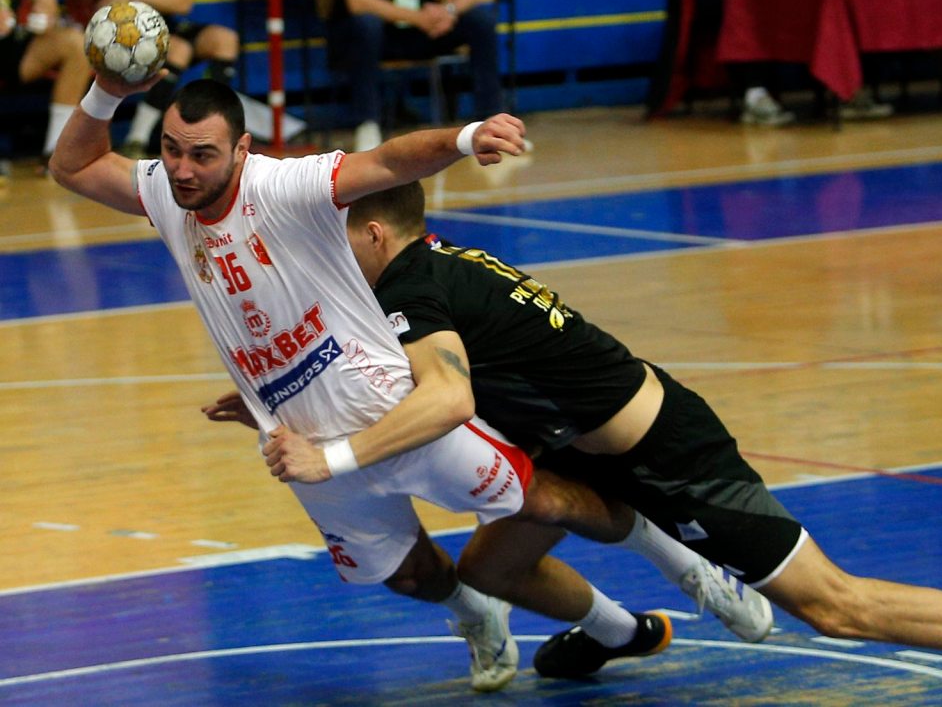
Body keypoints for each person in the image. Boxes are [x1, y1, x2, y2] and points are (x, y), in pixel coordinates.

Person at [48, 75, 730, 692]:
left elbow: (389, 162)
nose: (182, 168)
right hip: (303, 442)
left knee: (543, 501)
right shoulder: (168, 194)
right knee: (408, 575)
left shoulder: (280, 186)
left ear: (241, 150)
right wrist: (107, 89)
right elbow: (71, 165)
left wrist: (465, 137)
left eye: (201, 155)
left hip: (389, 406)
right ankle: (499, 617)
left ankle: (684, 563)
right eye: (170, 150)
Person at [239, 179, 942, 680]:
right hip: (582, 451)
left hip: (668, 455)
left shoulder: (412, 287)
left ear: (376, 234)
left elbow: (445, 399)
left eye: (334, 238)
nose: (322, 256)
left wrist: (328, 457)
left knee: (834, 606)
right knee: (489, 569)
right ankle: (616, 632)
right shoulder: (430, 266)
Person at [66, 0, 240, 157]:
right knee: (179, 50)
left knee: (224, 40)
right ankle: (137, 140)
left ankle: (211, 128)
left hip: (160, 29)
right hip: (112, 36)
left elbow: (183, 3)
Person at [325, 0, 501, 151]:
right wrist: (416, 17)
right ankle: (367, 123)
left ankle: (490, 121)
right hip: (382, 35)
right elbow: (358, 1)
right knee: (365, 24)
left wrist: (447, 11)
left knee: (480, 20)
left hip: (424, 32)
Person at [0, 0, 91, 177]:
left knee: (76, 45)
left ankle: (55, 153)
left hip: (13, 50)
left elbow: (48, 7)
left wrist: (44, 18)